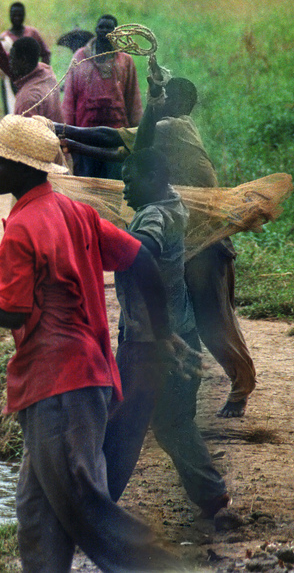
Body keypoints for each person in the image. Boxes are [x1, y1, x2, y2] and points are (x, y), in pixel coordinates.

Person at [0, 115, 183, 572]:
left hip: (60, 386)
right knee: (37, 514)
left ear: (23, 170)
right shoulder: (74, 212)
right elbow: (141, 258)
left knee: (84, 502)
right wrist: (163, 335)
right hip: (82, 379)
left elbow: (12, 312)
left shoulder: (22, 229)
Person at [56, 75, 256, 417]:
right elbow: (123, 150)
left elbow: (117, 137)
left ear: (179, 104)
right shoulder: (174, 128)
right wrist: (72, 143)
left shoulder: (172, 127)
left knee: (213, 322)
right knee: (187, 319)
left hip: (202, 243)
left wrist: (60, 127)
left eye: (167, 97)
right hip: (192, 235)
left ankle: (239, 388)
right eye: (160, 97)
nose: (161, 101)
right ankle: (166, 398)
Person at [104, 148, 231, 518]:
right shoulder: (170, 202)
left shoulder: (156, 215)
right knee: (171, 422)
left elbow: (143, 248)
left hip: (151, 343)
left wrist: (102, 240)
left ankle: (95, 506)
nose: (124, 189)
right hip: (177, 333)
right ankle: (212, 495)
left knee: (122, 425)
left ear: (156, 180)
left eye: (131, 181)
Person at [62, 14, 143, 179]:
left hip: (116, 139)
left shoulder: (126, 61)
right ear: (96, 30)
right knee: (87, 184)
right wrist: (67, 132)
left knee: (113, 186)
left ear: (117, 32)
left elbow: (133, 100)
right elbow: (69, 99)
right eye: (101, 27)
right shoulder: (80, 57)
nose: (105, 31)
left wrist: (136, 137)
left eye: (109, 28)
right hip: (84, 137)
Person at [0, 30, 62, 124]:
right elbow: (6, 62)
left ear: (23, 61)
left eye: (12, 59)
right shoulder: (46, 72)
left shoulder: (26, 100)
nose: (9, 62)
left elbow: (26, 138)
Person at [0, 2, 52, 113]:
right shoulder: (5, 38)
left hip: (32, 78)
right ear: (9, 16)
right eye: (14, 15)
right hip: (11, 80)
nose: (17, 18)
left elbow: (46, 53)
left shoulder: (32, 33)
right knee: (12, 110)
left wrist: (42, 72)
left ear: (24, 15)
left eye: (20, 15)